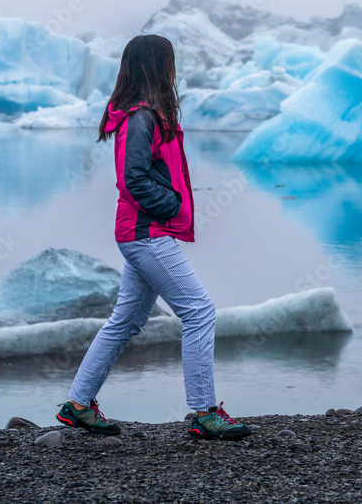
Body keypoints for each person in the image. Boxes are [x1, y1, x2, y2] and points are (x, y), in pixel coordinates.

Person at [55, 34, 250, 440]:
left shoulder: (149, 115)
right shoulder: (140, 117)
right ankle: (203, 411)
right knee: (199, 310)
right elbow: (132, 179)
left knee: (125, 319)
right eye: (169, 62)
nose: (173, 70)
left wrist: (169, 208)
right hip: (145, 232)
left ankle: (78, 405)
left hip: (143, 231)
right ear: (156, 67)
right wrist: (172, 204)